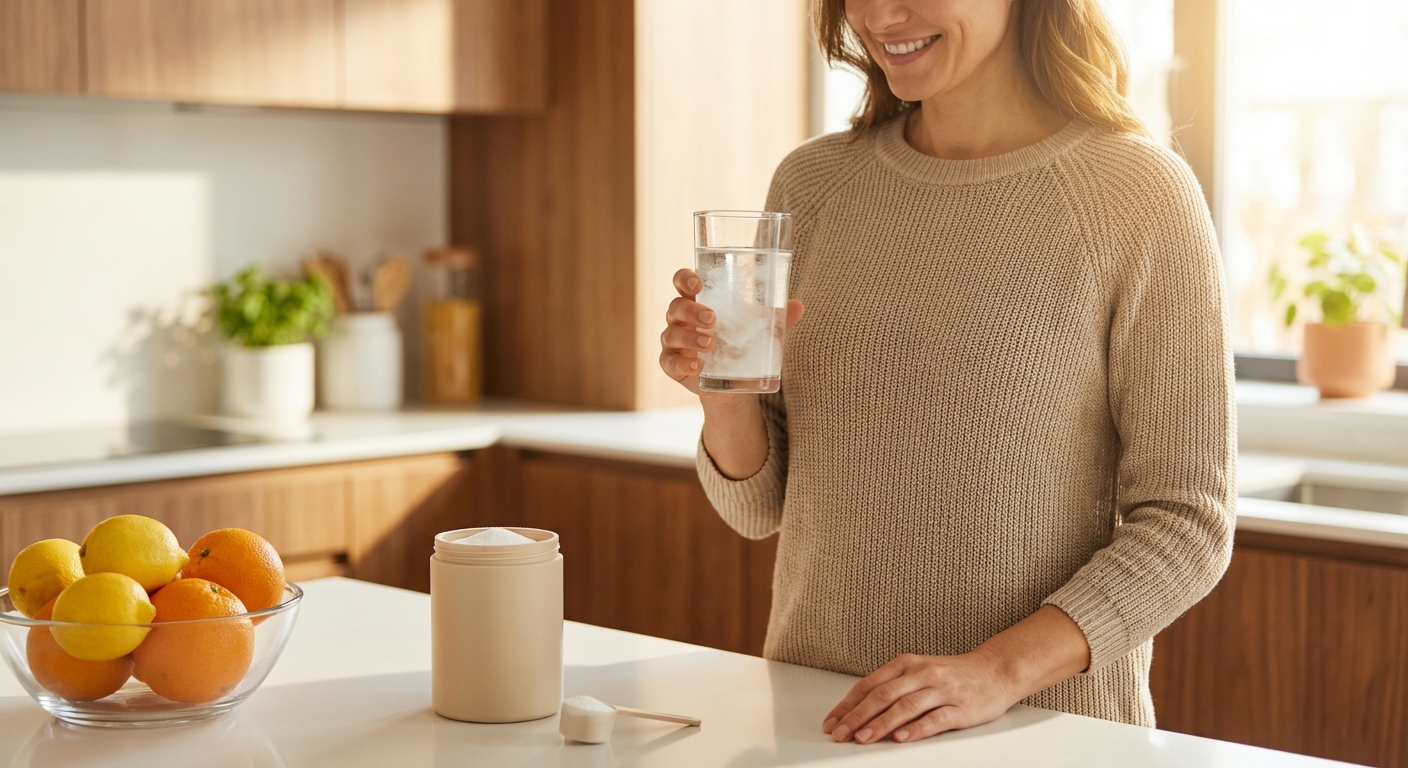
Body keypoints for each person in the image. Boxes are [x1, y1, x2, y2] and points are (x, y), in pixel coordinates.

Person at [658, 0, 1235, 747]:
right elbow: (758, 509)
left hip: (1041, 736)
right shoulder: (813, 183)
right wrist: (721, 397)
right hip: (821, 720)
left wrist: (993, 672)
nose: (876, 14)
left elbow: (1189, 523)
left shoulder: (1137, 193)